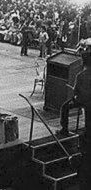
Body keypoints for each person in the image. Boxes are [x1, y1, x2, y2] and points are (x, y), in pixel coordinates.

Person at [58, 49, 91, 188]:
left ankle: (64, 129)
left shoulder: (81, 75)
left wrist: (76, 96)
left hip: (83, 101)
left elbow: (77, 92)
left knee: (65, 107)